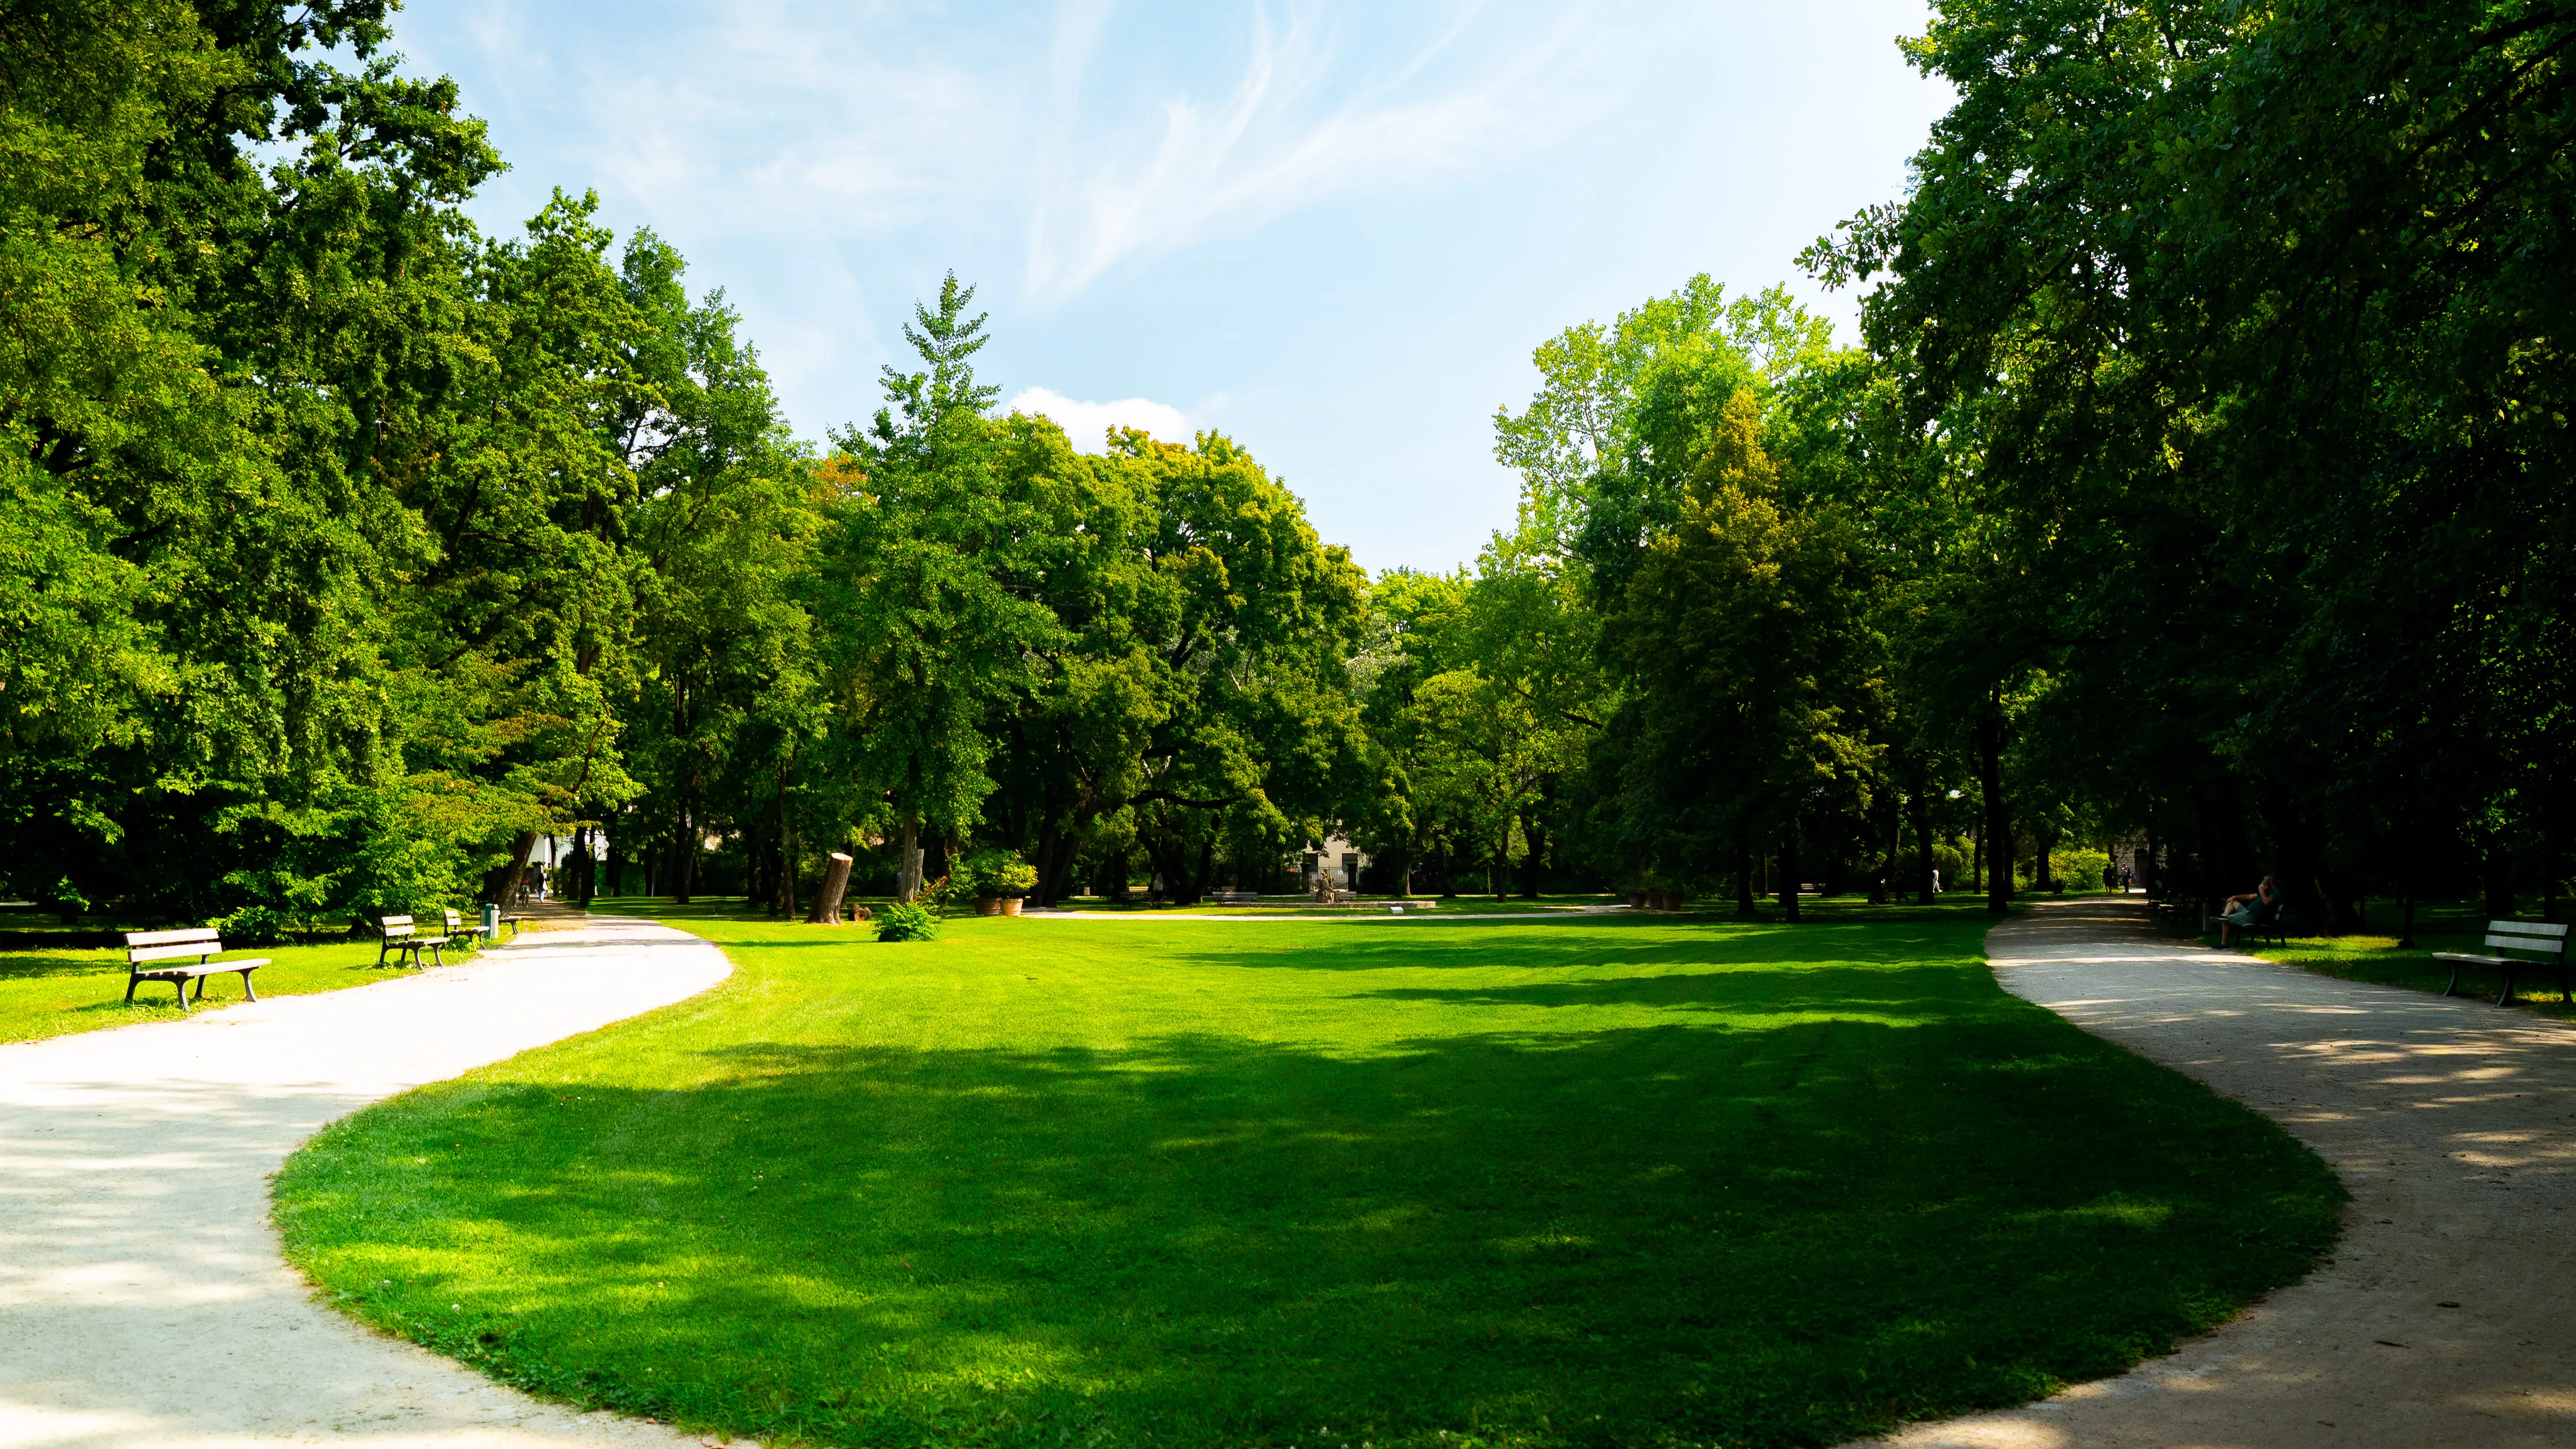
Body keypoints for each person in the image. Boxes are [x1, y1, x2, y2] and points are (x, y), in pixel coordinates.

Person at [2214, 874, 2281, 947]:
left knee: (2226, 920)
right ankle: (2224, 915)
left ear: (2270, 882)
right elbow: (2250, 897)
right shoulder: (2267, 892)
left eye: (2264, 881)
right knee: (2232, 902)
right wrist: (2235, 897)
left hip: (2252, 917)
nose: (2262, 883)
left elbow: (2267, 902)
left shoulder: (2275, 893)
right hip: (2247, 912)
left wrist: (2262, 891)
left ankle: (2224, 944)